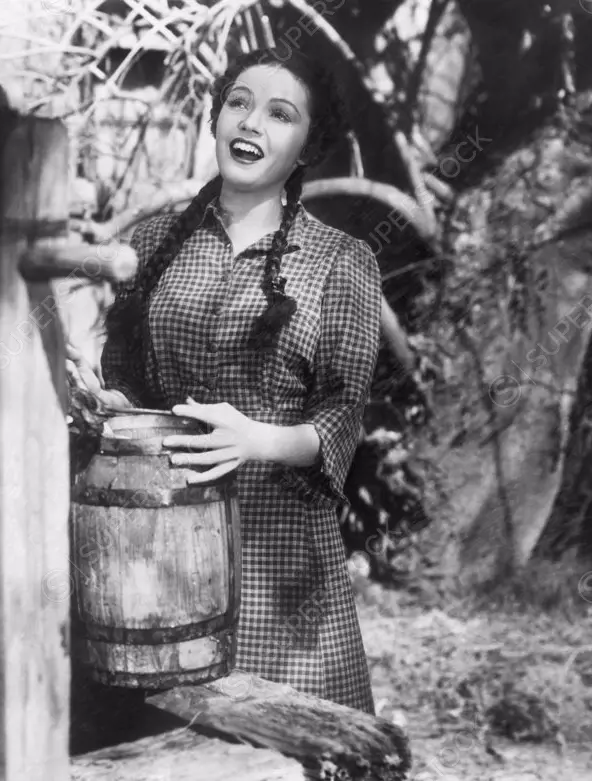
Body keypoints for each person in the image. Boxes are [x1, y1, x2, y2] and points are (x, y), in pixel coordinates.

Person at [69, 45, 381, 715]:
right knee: (168, 750)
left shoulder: (342, 261)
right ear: (214, 120)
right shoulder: (154, 240)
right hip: (158, 555)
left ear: (306, 145)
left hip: (283, 563)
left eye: (279, 114)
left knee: (284, 748)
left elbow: (345, 414)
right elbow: (133, 380)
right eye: (238, 103)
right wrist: (110, 404)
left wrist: (257, 440)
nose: (251, 124)